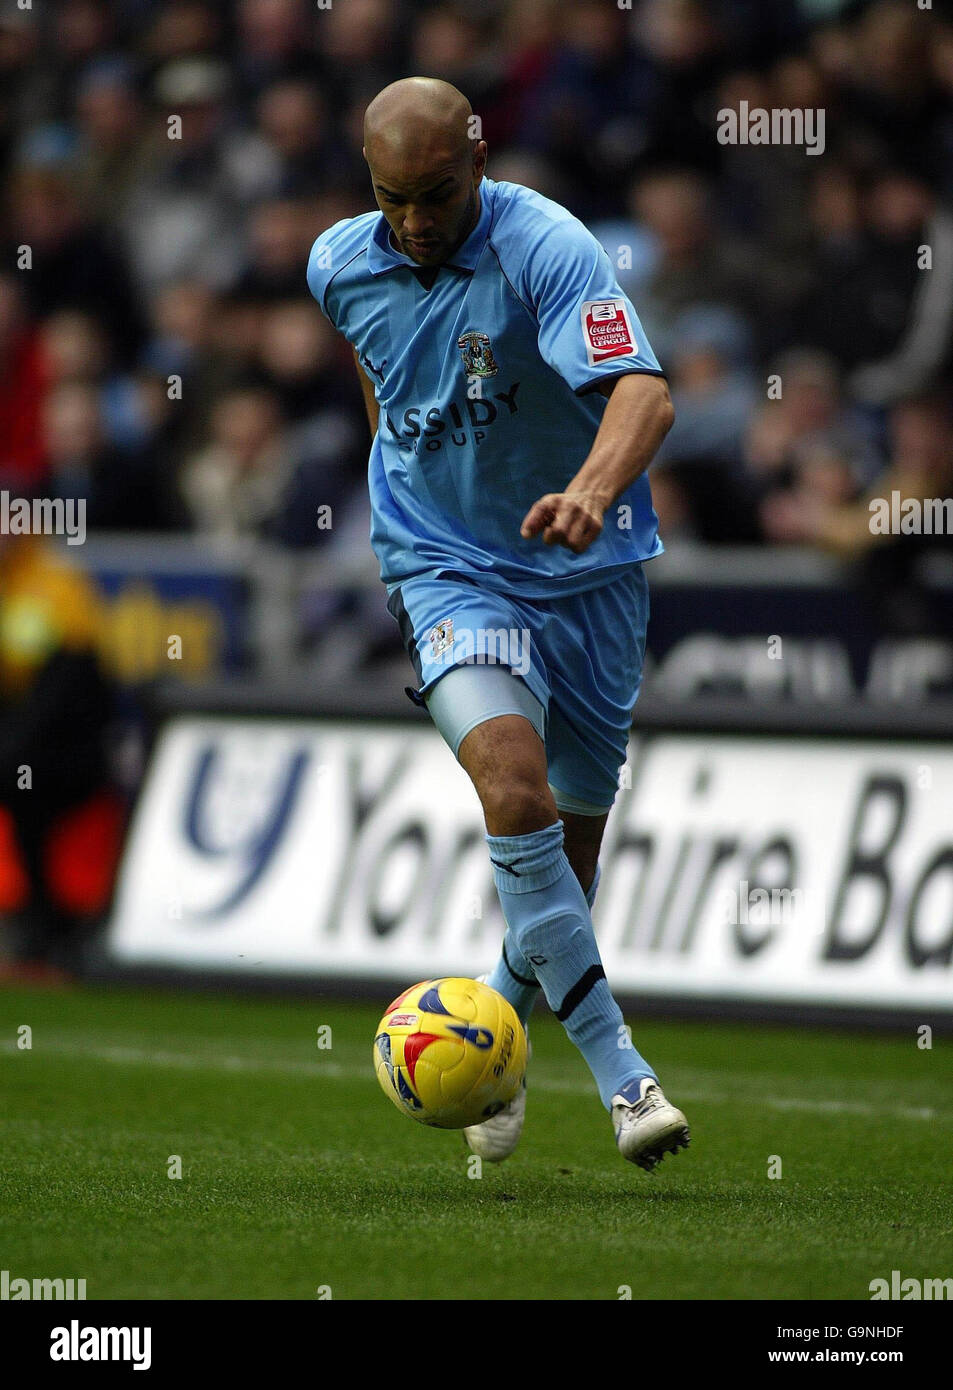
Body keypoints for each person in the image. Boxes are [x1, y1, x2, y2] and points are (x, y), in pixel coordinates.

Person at [307, 77, 688, 1172]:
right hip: (444, 569)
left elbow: (644, 395)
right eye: (393, 199)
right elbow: (385, 382)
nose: (415, 223)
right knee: (510, 788)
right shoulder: (336, 262)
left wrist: (588, 489)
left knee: (564, 848)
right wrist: (412, 498)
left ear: (478, 160)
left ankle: (495, 1042)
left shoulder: (549, 247)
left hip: (589, 569)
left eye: (434, 195)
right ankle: (626, 1079)